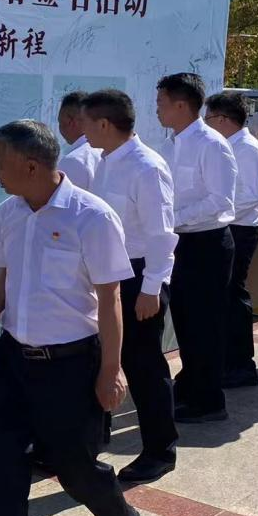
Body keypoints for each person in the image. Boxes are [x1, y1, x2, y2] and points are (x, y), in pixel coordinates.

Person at [0, 120, 139, 516]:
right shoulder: (9, 212)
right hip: (12, 364)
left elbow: (110, 298)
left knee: (75, 469)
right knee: (1, 475)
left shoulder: (92, 216)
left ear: (30, 166)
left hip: (70, 367)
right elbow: (5, 272)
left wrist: (111, 370)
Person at [81, 89, 180, 482]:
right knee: (103, 358)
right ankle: (92, 440)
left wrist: (151, 287)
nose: (82, 130)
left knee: (144, 366)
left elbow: (162, 234)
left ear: (105, 124)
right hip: (110, 273)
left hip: (139, 276)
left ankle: (160, 450)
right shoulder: (105, 161)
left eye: (87, 122)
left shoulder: (146, 167)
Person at [157, 73, 238, 422]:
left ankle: (209, 401)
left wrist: (172, 219)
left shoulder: (211, 144)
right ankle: (191, 386)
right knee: (186, 322)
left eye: (161, 103)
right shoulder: (171, 145)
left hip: (206, 243)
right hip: (181, 242)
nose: (157, 110)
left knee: (205, 324)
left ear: (181, 105)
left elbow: (220, 201)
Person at [205, 91, 258, 388]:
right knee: (223, 298)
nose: (205, 124)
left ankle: (241, 365)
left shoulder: (247, 149)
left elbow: (251, 196)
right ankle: (225, 361)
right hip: (226, 227)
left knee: (234, 297)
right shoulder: (229, 146)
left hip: (239, 230)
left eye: (208, 118)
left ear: (222, 119)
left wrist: (212, 211)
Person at [57, 90, 102, 191]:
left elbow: (65, 199)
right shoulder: (104, 152)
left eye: (60, 121)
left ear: (70, 122)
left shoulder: (72, 161)